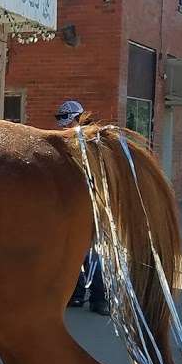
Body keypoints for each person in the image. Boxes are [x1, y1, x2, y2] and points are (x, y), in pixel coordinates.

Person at [55, 100, 110, 316]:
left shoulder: (91, 142)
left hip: (91, 205)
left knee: (93, 256)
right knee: (73, 253)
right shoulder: (65, 142)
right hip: (71, 205)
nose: (63, 125)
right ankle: (76, 294)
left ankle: (99, 298)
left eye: (65, 119)